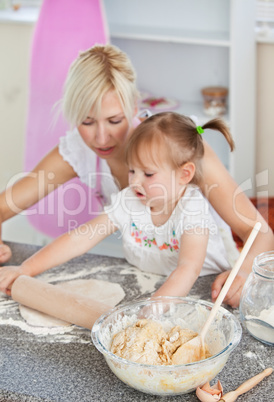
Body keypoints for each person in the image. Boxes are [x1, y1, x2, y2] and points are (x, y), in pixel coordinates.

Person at [0, 44, 273, 307]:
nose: (101, 137)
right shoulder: (80, 153)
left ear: (134, 106)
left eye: (115, 120)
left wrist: (244, 272)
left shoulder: (176, 146)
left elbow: (259, 234)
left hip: (208, 285)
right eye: (86, 121)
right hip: (149, 275)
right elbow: (69, 232)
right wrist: (23, 267)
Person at [0, 112, 241, 299]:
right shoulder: (131, 200)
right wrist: (25, 269)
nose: (135, 181)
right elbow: (80, 238)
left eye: (148, 173)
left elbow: (188, 269)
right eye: (132, 170)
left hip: (203, 291)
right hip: (147, 281)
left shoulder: (193, 210)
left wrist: (154, 308)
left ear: (184, 174)